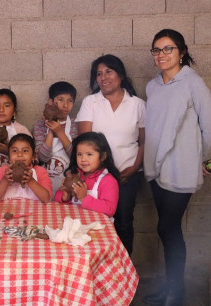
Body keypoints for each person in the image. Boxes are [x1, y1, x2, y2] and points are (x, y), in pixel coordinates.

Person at [142, 29, 211, 306]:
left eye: (168, 49)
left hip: (180, 167)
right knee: (166, 229)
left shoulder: (193, 83)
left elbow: (209, 127)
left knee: (168, 226)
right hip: (155, 167)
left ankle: (176, 291)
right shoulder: (152, 86)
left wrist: (202, 161)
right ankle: (169, 287)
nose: (161, 55)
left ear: (181, 52)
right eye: (157, 50)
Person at [75, 54, 145, 254]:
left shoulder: (137, 104)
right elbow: (85, 141)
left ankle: (123, 271)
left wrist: (133, 168)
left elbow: (144, 142)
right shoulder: (91, 102)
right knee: (95, 221)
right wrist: (102, 173)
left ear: (120, 74)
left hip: (127, 174)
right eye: (98, 74)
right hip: (99, 176)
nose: (103, 77)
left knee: (123, 222)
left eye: (108, 71)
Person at [54, 132, 120, 218]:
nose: (83, 159)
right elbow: (57, 196)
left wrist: (84, 198)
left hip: (98, 227)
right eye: (79, 154)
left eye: (89, 154)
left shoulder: (108, 181)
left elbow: (110, 209)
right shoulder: (75, 176)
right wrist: (65, 197)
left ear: (103, 156)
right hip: (75, 224)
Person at [34, 81, 78, 197]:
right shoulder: (40, 126)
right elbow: (42, 157)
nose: (65, 105)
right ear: (51, 102)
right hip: (44, 183)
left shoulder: (75, 125)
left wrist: (59, 131)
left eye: (70, 100)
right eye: (60, 99)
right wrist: (50, 131)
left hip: (67, 184)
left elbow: (75, 157)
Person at [0, 88, 32, 171]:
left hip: (12, 178)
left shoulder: (21, 130)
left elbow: (32, 159)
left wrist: (8, 150)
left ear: (14, 110)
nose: (1, 110)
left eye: (7, 106)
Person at [0, 134, 52, 203]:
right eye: (14, 151)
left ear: (33, 156)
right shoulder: (2, 171)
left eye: (25, 151)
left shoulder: (40, 172)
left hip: (33, 211)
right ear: (9, 157)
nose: (19, 154)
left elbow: (47, 199)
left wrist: (31, 181)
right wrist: (5, 180)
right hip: (7, 209)